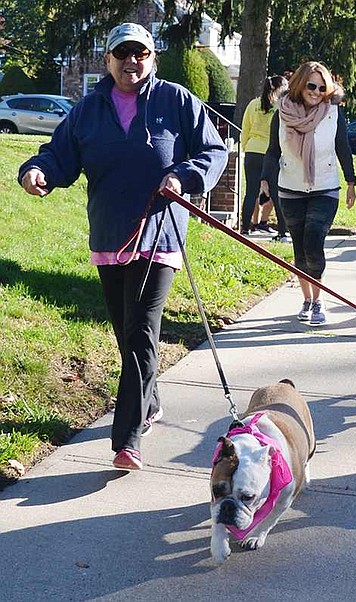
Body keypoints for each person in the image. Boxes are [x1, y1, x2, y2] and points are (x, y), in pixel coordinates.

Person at [18, 23, 228, 471]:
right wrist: (38, 172)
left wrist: (184, 177)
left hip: (160, 233)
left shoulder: (176, 100)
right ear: (109, 60)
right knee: (126, 333)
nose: (131, 61)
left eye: (140, 53)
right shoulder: (88, 110)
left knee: (140, 333)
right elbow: (59, 156)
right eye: (122, 54)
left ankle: (126, 438)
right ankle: (149, 402)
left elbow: (213, 151)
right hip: (111, 234)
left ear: (152, 58)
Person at [260, 61, 356, 326]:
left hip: (325, 187)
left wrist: (351, 181)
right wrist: (265, 181)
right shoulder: (282, 113)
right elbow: (272, 150)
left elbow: (343, 148)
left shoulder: (333, 112)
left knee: (314, 242)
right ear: (300, 85)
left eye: (322, 87)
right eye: (311, 86)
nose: (316, 91)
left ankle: (319, 299)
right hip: (290, 187)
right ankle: (306, 299)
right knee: (300, 248)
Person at [240, 75, 289, 241]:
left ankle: (245, 229)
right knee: (277, 193)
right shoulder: (280, 107)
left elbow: (245, 128)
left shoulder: (253, 104)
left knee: (251, 193)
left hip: (253, 151)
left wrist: (246, 147)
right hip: (271, 153)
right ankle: (283, 232)